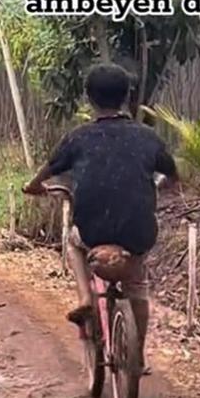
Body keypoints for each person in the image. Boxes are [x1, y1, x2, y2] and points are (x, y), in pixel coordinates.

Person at [23, 62, 178, 371]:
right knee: (137, 286)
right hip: (138, 234)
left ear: (89, 98)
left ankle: (84, 297)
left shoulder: (78, 138)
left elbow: (47, 171)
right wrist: (156, 185)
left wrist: (34, 187)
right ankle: (138, 354)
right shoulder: (148, 137)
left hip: (93, 232)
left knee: (73, 241)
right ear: (126, 97)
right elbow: (173, 177)